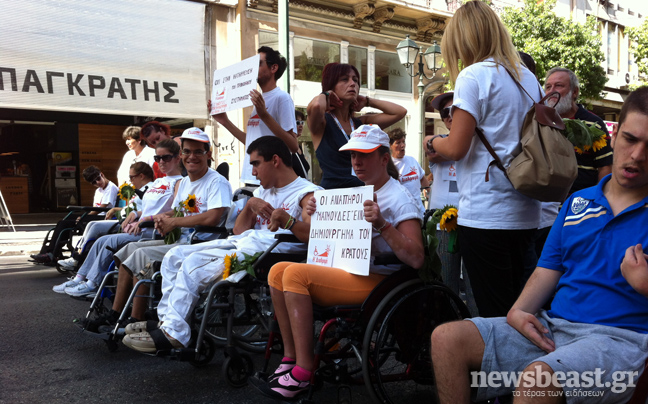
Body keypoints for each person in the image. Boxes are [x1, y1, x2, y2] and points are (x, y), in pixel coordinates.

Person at [430, 86, 648, 404]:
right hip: (556, 330)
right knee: (447, 338)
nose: (638, 155)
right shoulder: (577, 203)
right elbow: (547, 270)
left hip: (620, 341)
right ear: (614, 138)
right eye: (630, 139)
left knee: (538, 379)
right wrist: (518, 312)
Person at [253, 125, 424, 400]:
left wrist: (382, 224)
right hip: (354, 270)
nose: (356, 161)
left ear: (383, 158)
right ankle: (290, 358)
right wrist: (317, 215)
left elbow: (416, 258)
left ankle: (304, 370)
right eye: (353, 155)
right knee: (277, 272)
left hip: (382, 280)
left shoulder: (399, 197)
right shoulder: (356, 193)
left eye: (364, 155)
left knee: (294, 274)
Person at [121, 136, 321, 352]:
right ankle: (167, 323)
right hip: (244, 242)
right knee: (174, 255)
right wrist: (251, 204)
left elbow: (312, 236)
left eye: (255, 164)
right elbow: (239, 230)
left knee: (194, 264)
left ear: (275, 160)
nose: (253, 172)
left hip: (273, 253)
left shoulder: (308, 193)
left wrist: (288, 221)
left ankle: (174, 333)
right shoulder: (263, 191)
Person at [428, 1, 543, 317]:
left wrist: (432, 140)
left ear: (462, 40)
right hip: (526, 210)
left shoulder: (473, 75)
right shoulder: (526, 78)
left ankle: (501, 367)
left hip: (486, 212)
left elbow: (456, 147)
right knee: (521, 312)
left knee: (496, 317)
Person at [79, 128, 231, 309]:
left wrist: (172, 222)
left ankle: (136, 317)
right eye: (187, 151)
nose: (192, 156)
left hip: (199, 243)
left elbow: (213, 218)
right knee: (127, 251)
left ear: (208, 154)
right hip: (181, 238)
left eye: (198, 151)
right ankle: (118, 311)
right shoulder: (184, 183)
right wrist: (161, 218)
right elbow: (177, 212)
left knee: (140, 256)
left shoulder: (216, 181)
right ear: (181, 154)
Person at [54, 141, 182, 298]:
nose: (161, 162)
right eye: (158, 158)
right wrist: (135, 214)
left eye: (166, 157)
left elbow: (177, 212)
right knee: (102, 240)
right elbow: (147, 207)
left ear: (177, 158)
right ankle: (80, 278)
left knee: (106, 241)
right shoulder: (158, 182)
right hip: (141, 226)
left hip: (152, 230)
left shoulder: (179, 182)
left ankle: (93, 284)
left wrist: (146, 218)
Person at [307, 63, 407, 189]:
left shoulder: (361, 123)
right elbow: (316, 105)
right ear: (331, 85)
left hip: (362, 196)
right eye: (344, 79)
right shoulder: (322, 123)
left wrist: (368, 101)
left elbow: (400, 112)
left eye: (355, 80)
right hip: (333, 198)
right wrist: (326, 95)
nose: (352, 83)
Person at [212, 46, 300, 184]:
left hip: (270, 180)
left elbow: (293, 146)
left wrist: (264, 115)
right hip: (251, 177)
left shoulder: (282, 98)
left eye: (259, 64)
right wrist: (224, 121)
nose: (253, 69)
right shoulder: (259, 99)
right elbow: (252, 143)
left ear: (273, 68)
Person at [424, 92, 477, 316]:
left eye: (455, 110)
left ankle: (478, 332)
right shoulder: (437, 141)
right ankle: (447, 331)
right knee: (446, 283)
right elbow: (431, 148)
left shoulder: (476, 142)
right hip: (442, 225)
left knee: (475, 287)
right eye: (445, 112)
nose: (450, 116)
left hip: (474, 221)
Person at [55, 162, 155, 272]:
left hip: (127, 222)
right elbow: (131, 208)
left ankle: (78, 260)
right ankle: (77, 257)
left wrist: (133, 213)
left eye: (131, 177)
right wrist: (116, 209)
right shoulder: (139, 190)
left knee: (93, 226)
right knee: (89, 224)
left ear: (141, 176)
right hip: (123, 218)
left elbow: (144, 210)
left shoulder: (147, 190)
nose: (130, 181)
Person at [544, 67, 613, 195]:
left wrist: (598, 199)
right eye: (548, 87)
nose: (552, 91)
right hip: (544, 205)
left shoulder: (594, 124)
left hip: (580, 206)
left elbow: (605, 166)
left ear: (574, 92)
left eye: (558, 86)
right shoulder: (541, 122)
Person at [30, 166, 119, 265]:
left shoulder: (111, 188)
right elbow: (94, 208)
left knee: (67, 223)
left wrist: (84, 216)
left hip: (104, 217)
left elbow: (101, 208)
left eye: (98, 179)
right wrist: (84, 216)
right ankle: (48, 252)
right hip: (96, 215)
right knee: (63, 222)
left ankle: (52, 253)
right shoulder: (98, 191)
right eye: (93, 182)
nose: (97, 183)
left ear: (102, 174)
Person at [388, 128, 428, 212]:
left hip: (419, 210)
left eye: (403, 142)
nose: (402, 145)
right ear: (390, 145)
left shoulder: (412, 160)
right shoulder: (388, 165)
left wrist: (430, 193)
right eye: (398, 143)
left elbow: (423, 179)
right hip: (401, 211)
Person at [292, 109, 310, 177]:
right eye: (297, 123)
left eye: (302, 122)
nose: (301, 125)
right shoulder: (286, 148)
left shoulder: (299, 147)